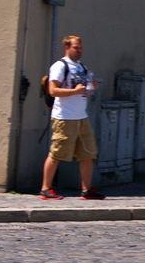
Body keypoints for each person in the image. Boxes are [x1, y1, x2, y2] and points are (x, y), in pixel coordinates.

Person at [39, 35, 105, 200]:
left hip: (81, 116)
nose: (79, 50)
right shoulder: (59, 66)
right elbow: (53, 90)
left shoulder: (81, 67)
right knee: (57, 153)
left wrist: (91, 88)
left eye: (81, 47)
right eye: (76, 47)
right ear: (67, 47)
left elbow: (84, 92)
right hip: (64, 117)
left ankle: (86, 190)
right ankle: (45, 189)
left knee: (88, 153)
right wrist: (74, 91)